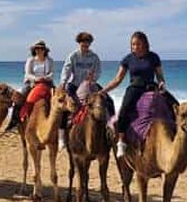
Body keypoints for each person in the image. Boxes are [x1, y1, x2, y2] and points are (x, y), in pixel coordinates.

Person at [99, 31, 172, 159]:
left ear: (144, 43)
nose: (135, 47)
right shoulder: (128, 59)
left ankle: (177, 137)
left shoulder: (153, 57)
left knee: (173, 104)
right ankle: (121, 142)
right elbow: (117, 79)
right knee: (124, 111)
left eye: (138, 44)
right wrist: (104, 91)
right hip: (135, 88)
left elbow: (160, 76)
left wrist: (162, 83)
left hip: (151, 87)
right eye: (133, 44)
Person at [59, 32, 114, 149]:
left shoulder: (94, 57)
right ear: (79, 43)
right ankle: (61, 136)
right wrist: (63, 82)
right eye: (83, 42)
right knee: (64, 107)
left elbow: (98, 71)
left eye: (87, 42)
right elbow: (66, 70)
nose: (85, 45)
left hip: (90, 85)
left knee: (109, 100)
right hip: (75, 84)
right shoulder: (73, 56)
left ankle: (112, 127)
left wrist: (93, 78)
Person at [5, 40, 54, 131]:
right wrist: (36, 79)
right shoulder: (30, 60)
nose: (39, 50)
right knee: (19, 97)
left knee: (58, 97)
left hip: (46, 82)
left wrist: (45, 78)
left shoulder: (50, 60)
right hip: (32, 83)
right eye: (37, 49)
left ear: (44, 50)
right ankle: (14, 122)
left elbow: (51, 73)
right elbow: (27, 74)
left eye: (41, 49)